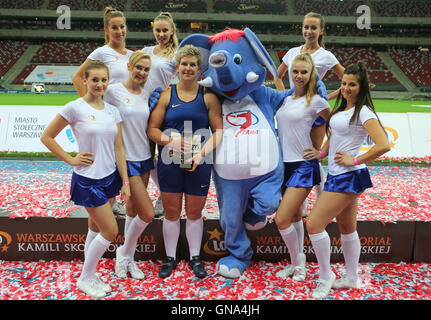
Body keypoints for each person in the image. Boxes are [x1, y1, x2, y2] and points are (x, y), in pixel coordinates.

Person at [41, 61, 130, 298]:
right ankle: (85, 277)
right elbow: (47, 137)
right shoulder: (74, 108)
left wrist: (126, 182)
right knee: (110, 230)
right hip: (88, 180)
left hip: (110, 177)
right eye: (95, 80)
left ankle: (89, 273)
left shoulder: (113, 110)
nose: (100, 84)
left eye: (104, 80)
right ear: (85, 81)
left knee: (94, 227)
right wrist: (70, 159)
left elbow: (119, 148)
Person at [304, 61, 390, 299]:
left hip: (348, 176)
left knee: (313, 224)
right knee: (347, 228)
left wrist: (355, 159)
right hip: (338, 174)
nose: (346, 88)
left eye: (352, 84)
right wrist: (321, 153)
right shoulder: (343, 109)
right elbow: (335, 138)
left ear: (362, 87)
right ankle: (352, 277)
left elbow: (383, 145)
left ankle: (326, 276)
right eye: (344, 83)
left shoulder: (364, 111)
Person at [147, 45, 223, 279]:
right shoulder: (166, 95)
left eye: (193, 65)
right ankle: (170, 258)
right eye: (184, 64)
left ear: (200, 69)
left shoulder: (208, 96)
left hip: (199, 161)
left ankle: (195, 257)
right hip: (170, 161)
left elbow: (219, 130)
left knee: (194, 212)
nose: (188, 68)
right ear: (177, 67)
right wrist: (169, 141)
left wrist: (201, 154)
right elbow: (152, 129)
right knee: (171, 212)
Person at [274, 12, 346, 218]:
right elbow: (278, 75)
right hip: (293, 106)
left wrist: (328, 97)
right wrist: (284, 96)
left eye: (314, 28)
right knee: (294, 154)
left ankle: (323, 201)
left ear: (321, 31)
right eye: (306, 27)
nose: (309, 31)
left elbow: (347, 78)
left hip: (315, 111)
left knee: (312, 156)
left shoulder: (326, 55)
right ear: (302, 28)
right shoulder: (292, 52)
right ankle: (301, 205)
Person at [274, 53, 331, 282]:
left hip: (303, 166)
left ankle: (299, 263)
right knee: (295, 218)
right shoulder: (286, 99)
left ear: (311, 75)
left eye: (303, 72)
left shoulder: (316, 100)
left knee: (281, 218)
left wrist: (322, 152)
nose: (298, 76)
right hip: (283, 165)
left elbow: (336, 125)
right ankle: (297, 264)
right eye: (295, 71)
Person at [72, 6, 132, 216]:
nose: (119, 31)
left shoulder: (132, 55)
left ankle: (157, 192)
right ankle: (110, 200)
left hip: (131, 117)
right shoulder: (101, 53)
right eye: (114, 27)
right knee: (110, 156)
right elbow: (77, 77)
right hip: (109, 117)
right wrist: (91, 107)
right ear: (107, 30)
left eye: (122, 26)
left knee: (138, 156)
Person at [103, 51, 154, 280]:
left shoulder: (146, 95)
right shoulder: (113, 91)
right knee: (148, 213)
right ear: (130, 66)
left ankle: (128, 260)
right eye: (139, 68)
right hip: (127, 160)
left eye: (146, 69)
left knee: (133, 213)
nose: (142, 72)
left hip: (144, 157)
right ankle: (123, 254)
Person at [142, 12, 179, 217]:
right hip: (142, 108)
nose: (162, 34)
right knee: (145, 156)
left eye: (165, 30)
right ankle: (143, 196)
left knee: (164, 157)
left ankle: (164, 197)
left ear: (172, 30)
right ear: (153, 29)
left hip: (163, 107)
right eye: (158, 30)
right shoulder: (146, 51)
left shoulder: (177, 53)